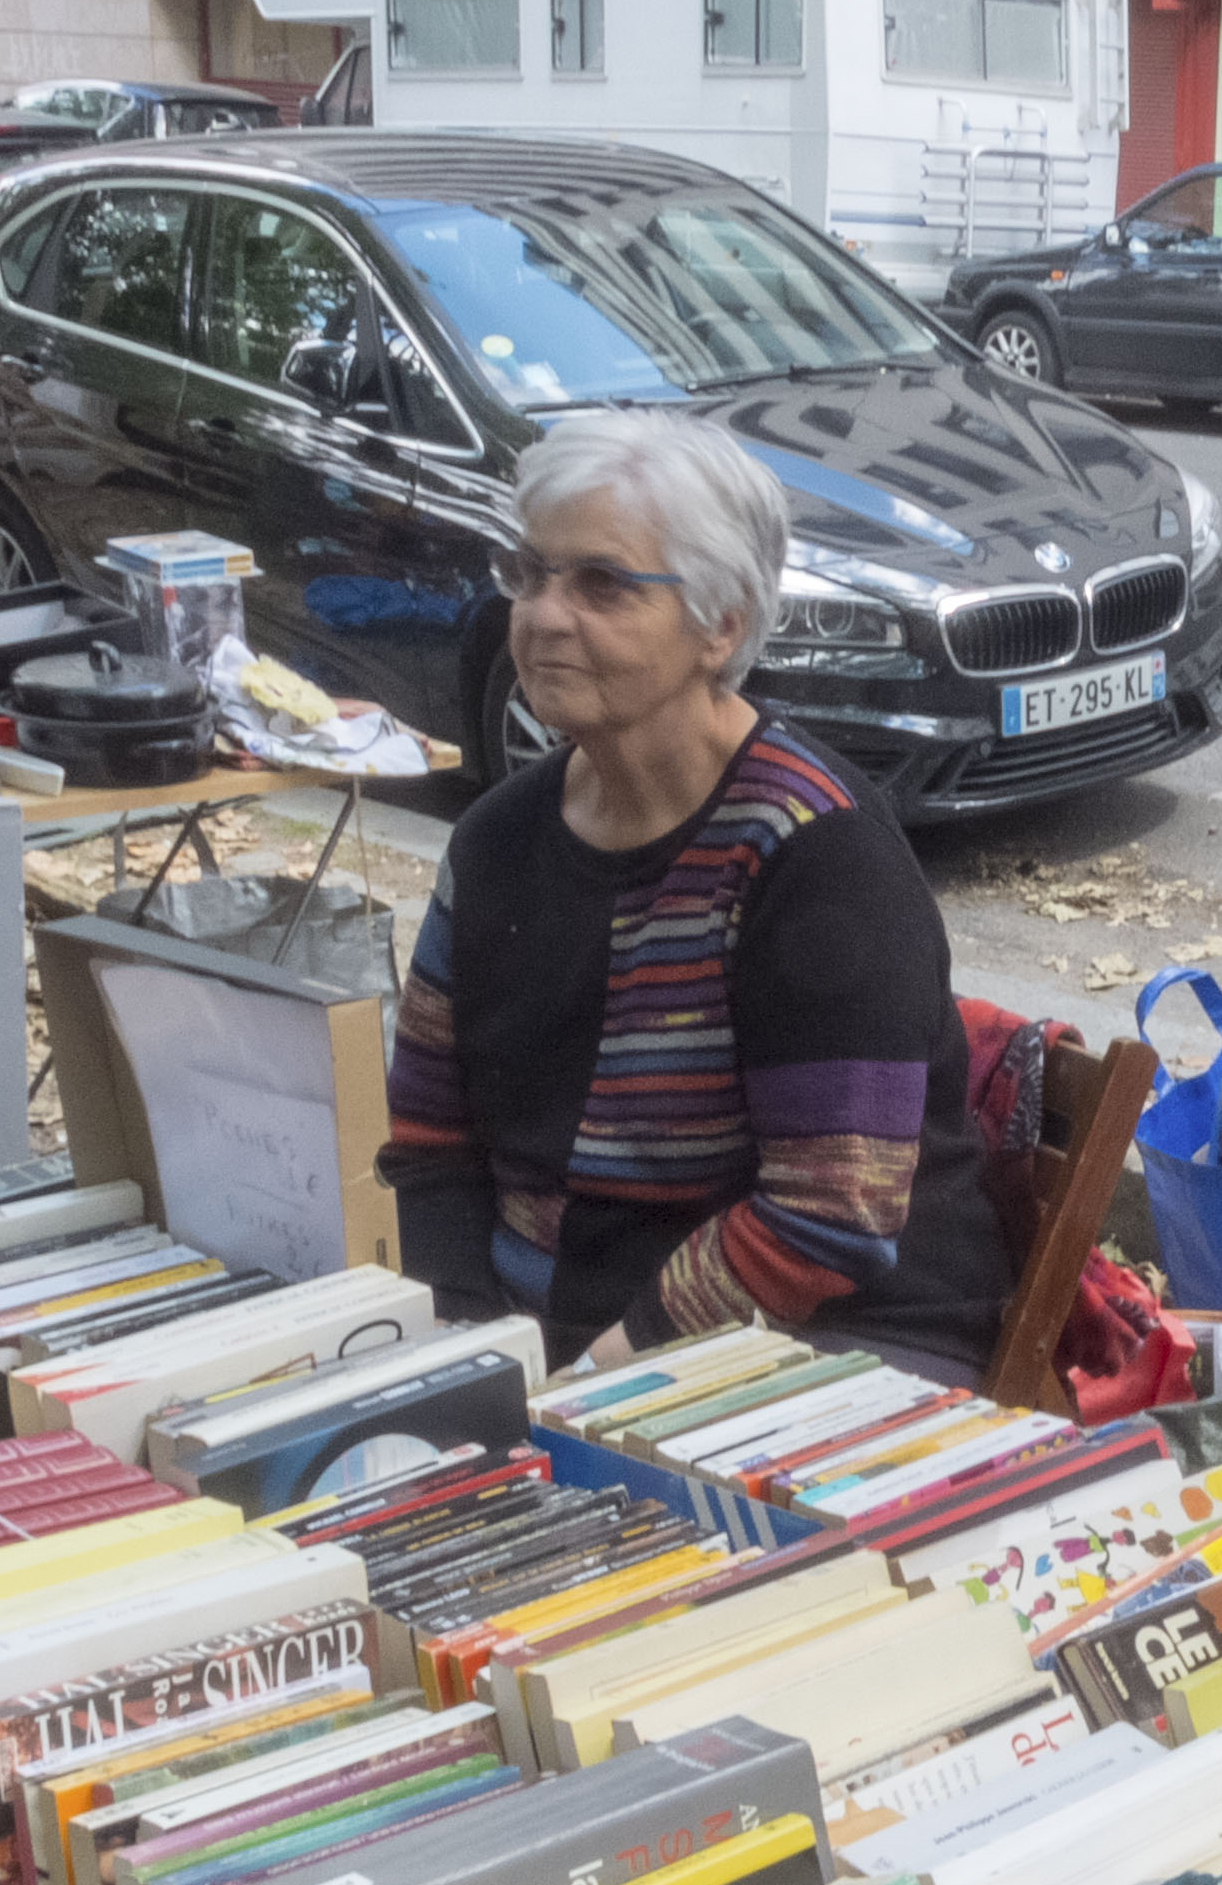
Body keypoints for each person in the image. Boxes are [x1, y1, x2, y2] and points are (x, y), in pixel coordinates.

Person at [380, 409, 1012, 1376]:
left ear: (721, 624)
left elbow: (831, 1215)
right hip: (547, 1341)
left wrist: (591, 1377)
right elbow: (431, 1144)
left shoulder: (815, 854)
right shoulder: (496, 841)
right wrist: (473, 1359)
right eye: (531, 573)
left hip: (831, 1341)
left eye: (602, 584)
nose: (546, 615)